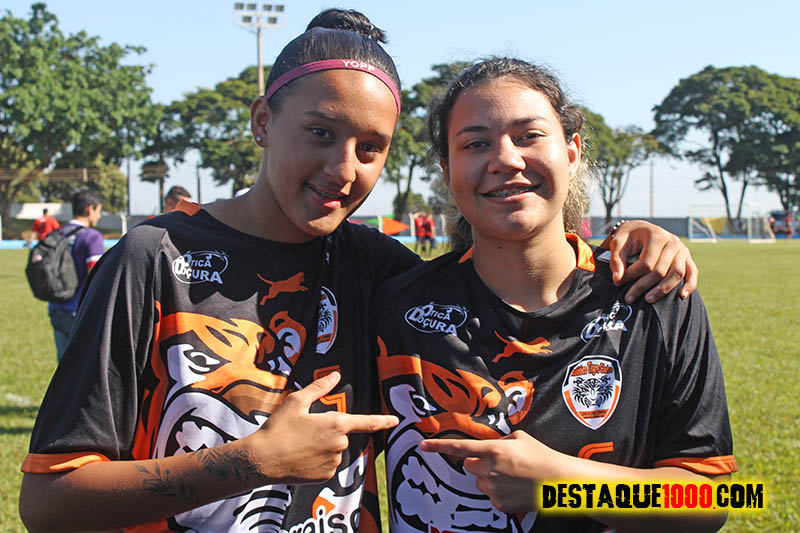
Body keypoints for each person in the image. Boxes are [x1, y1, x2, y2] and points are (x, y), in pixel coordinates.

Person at [19, 11, 699, 532]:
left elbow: (715, 498)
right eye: (320, 132)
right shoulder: (151, 259)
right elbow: (47, 501)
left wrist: (633, 239)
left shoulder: (382, 273)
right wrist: (252, 461)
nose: (343, 169)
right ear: (262, 121)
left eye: (370, 147)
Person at [374, 58, 735, 532]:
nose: (505, 159)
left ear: (572, 151)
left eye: (529, 136)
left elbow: (714, 500)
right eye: (476, 143)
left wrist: (559, 484)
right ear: (447, 169)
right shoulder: (397, 309)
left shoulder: (655, 296)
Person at [47, 189, 105, 361]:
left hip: (56, 308)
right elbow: (97, 276)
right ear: (90, 209)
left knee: (64, 365)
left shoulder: (57, 234)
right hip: (80, 311)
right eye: (99, 211)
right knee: (86, 367)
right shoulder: (91, 237)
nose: (99, 216)